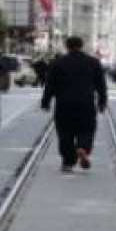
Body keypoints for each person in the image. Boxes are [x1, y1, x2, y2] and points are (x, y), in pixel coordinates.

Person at [41, 36, 108, 173]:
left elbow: (50, 85)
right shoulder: (93, 62)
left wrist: (46, 102)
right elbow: (101, 86)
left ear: (67, 46)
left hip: (64, 105)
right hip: (86, 104)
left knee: (65, 132)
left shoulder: (58, 63)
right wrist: (102, 101)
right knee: (87, 129)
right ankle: (83, 147)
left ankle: (68, 161)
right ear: (81, 45)